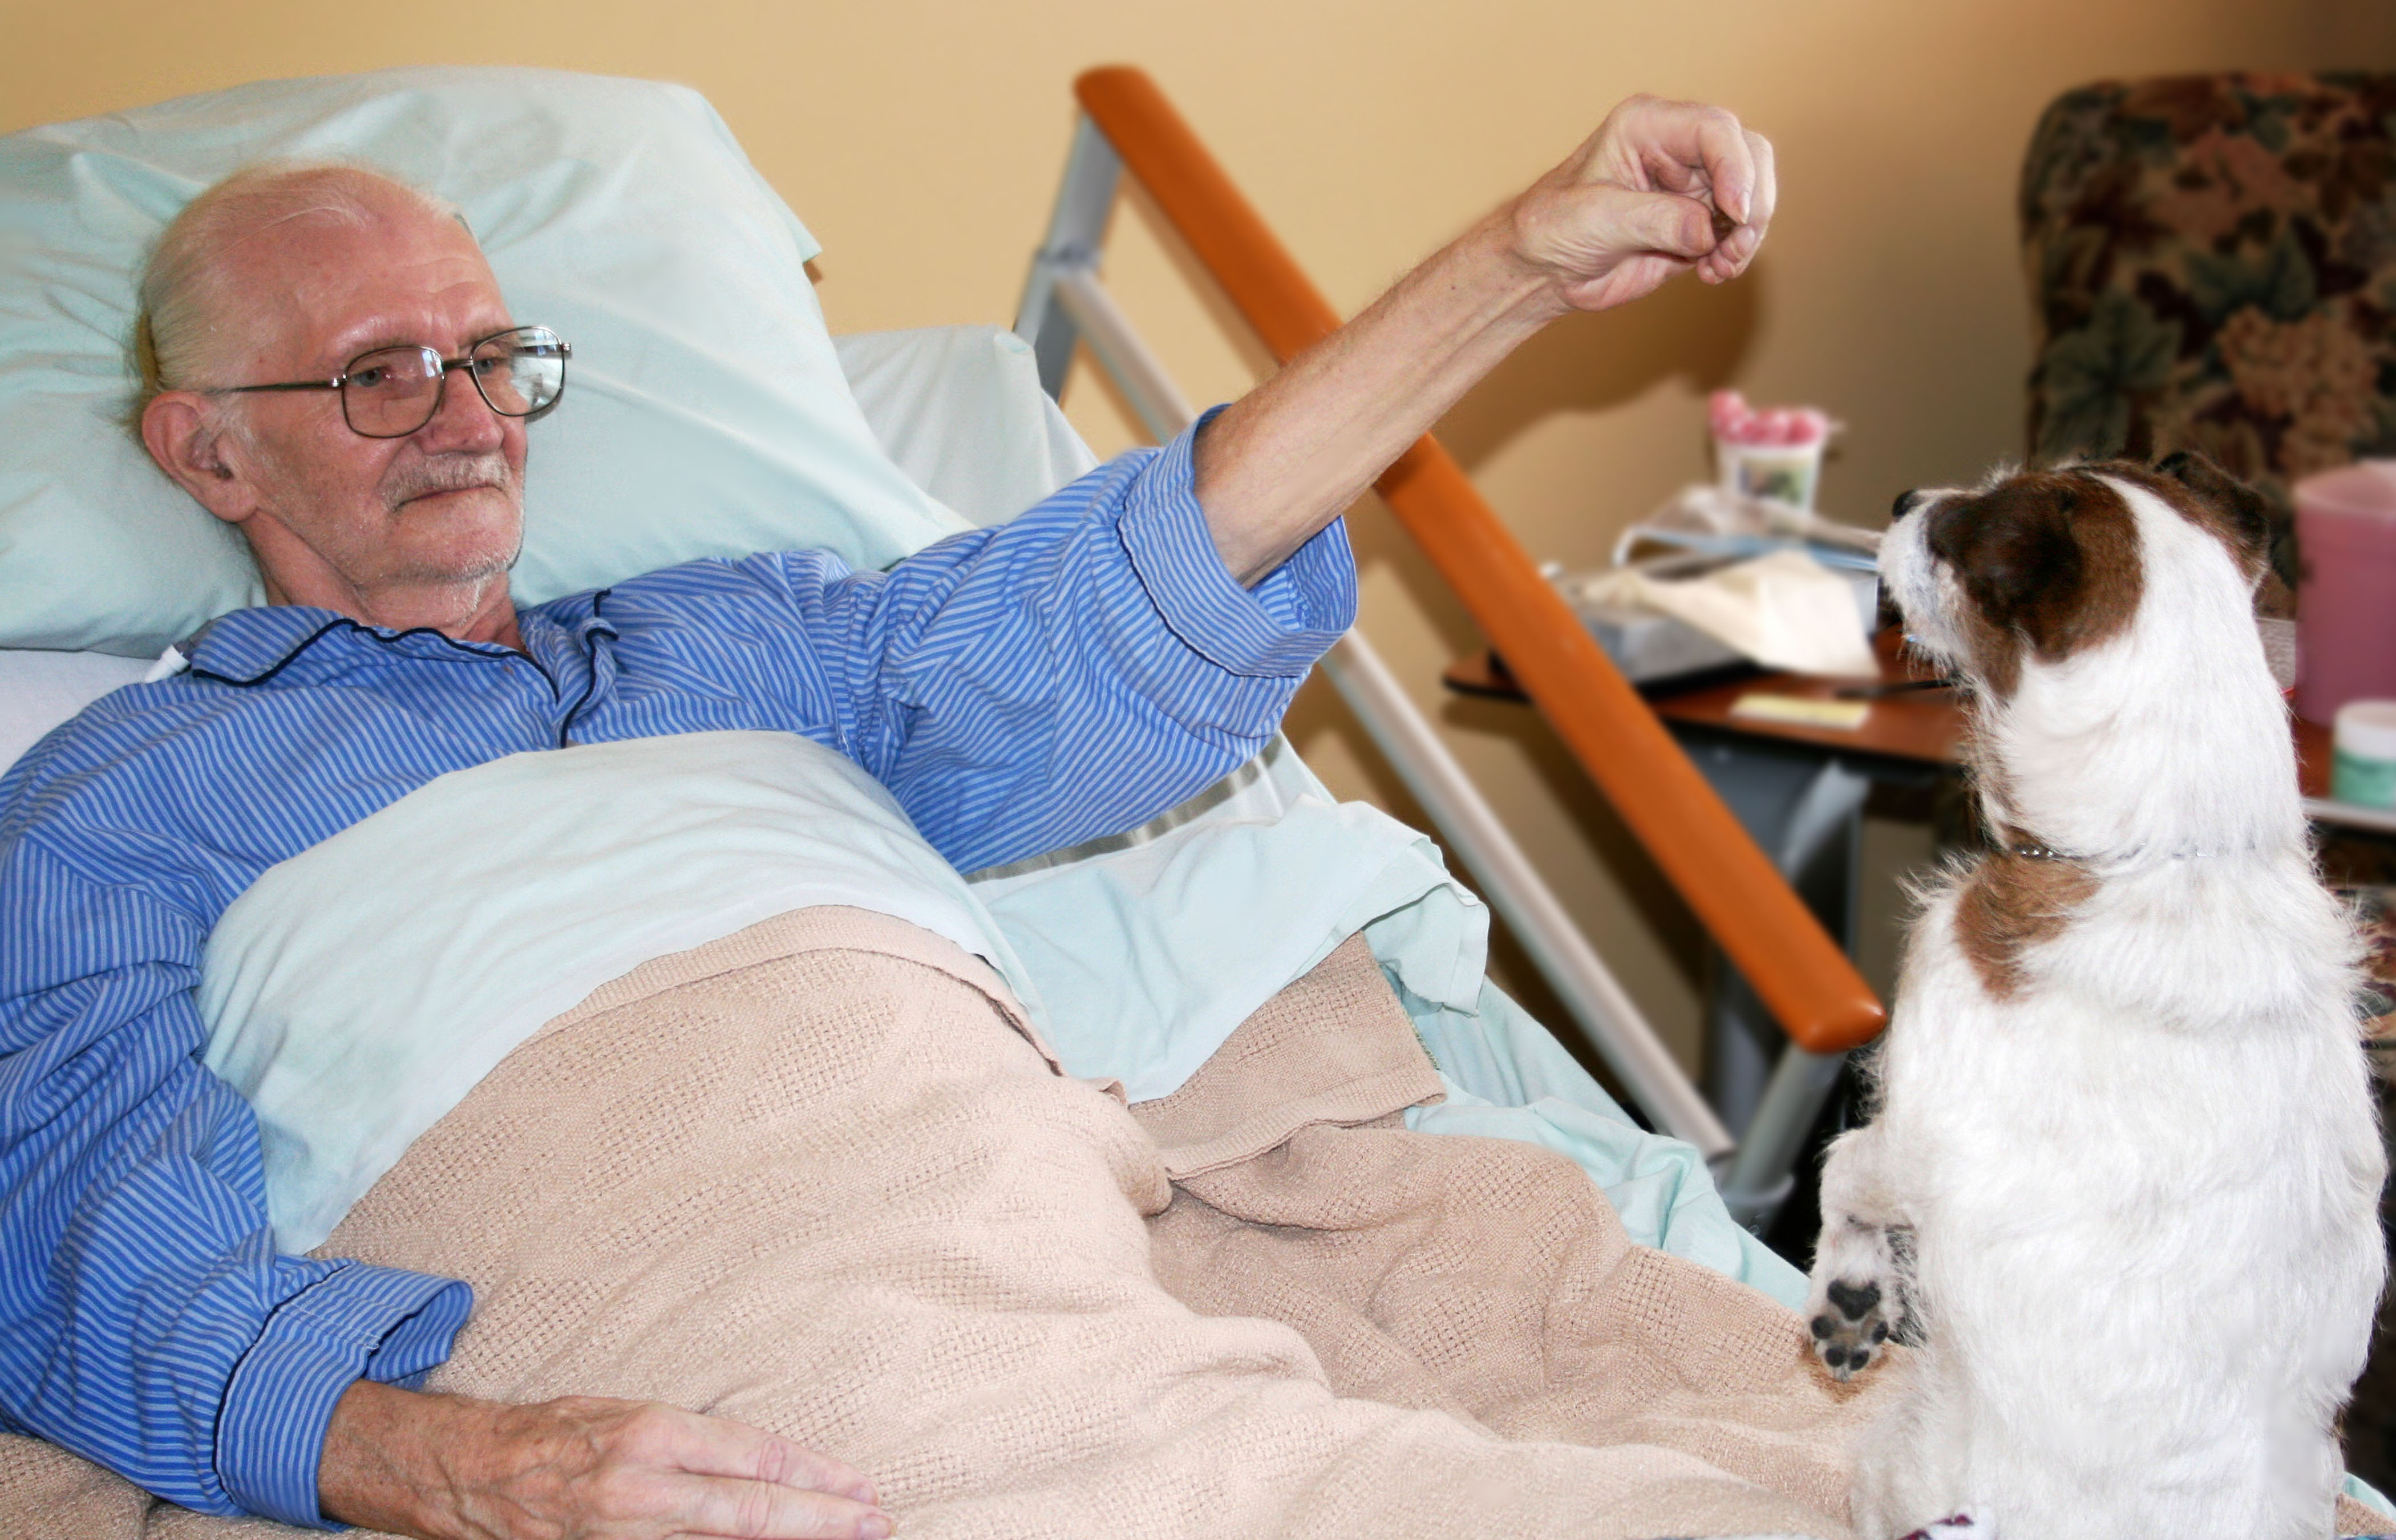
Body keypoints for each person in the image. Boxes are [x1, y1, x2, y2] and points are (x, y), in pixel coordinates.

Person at [0, 94, 1773, 1540]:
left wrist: (1515, 270)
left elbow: (1108, 599)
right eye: (381, 373)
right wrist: (468, 1463)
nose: (471, 421)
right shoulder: (116, 798)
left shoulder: (744, 639)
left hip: (960, 1170)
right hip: (628, 1236)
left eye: (496, 356)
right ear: (208, 454)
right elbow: (80, 1232)